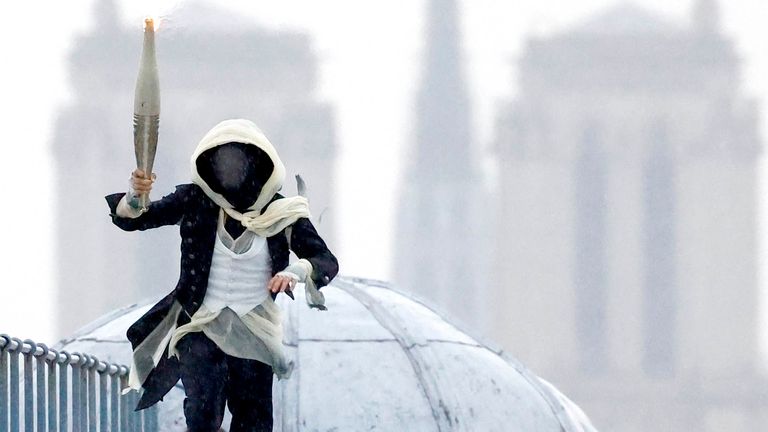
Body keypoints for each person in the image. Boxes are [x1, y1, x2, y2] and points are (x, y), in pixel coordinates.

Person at [105, 119, 338, 432]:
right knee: (202, 413)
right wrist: (136, 194)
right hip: (200, 326)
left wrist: (296, 271)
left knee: (253, 422)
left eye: (237, 162)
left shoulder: (283, 214)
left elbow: (324, 259)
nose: (229, 171)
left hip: (254, 333)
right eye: (221, 163)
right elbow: (138, 218)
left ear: (257, 166)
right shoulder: (196, 202)